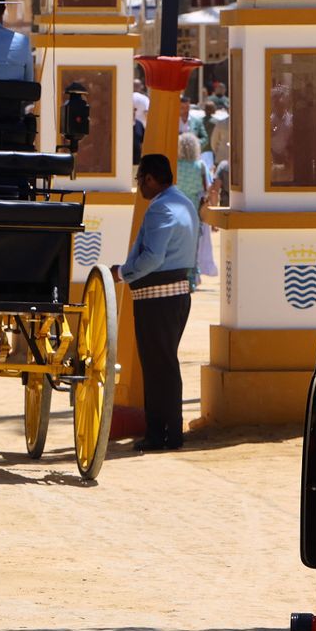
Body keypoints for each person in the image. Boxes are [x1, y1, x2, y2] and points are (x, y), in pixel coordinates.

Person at [112, 154, 198, 452]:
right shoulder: (184, 202)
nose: (139, 187)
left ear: (150, 179)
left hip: (156, 297)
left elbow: (153, 257)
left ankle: (160, 433)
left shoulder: (159, 208)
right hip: (176, 295)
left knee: (156, 367)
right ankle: (169, 432)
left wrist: (122, 273)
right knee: (166, 365)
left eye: (140, 180)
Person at [175, 132, 217, 284]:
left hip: (176, 208)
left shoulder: (175, 165)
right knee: (193, 246)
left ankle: (178, 276)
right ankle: (191, 278)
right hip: (193, 211)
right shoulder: (200, 166)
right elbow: (207, 187)